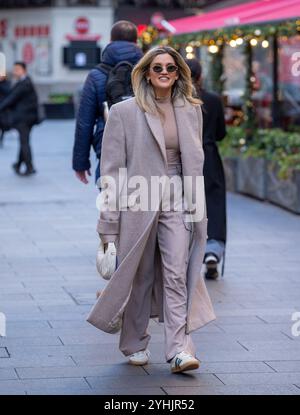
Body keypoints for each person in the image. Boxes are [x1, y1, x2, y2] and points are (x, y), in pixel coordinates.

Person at [87, 46, 216, 374]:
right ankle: (133, 341)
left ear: (178, 74)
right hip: (138, 201)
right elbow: (112, 171)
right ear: (146, 72)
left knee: (176, 272)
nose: (164, 72)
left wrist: (198, 208)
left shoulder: (190, 109)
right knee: (141, 276)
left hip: (179, 199)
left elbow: (194, 162)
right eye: (157, 67)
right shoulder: (124, 112)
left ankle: (178, 350)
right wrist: (108, 226)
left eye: (171, 68)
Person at [72, 20, 143, 185]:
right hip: (143, 146)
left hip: (108, 148)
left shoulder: (96, 74)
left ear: (110, 42)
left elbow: (85, 122)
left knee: (110, 204)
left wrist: (80, 163)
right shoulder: (148, 71)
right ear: (136, 42)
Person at [185, 58, 227, 279]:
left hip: (183, 159)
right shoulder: (212, 99)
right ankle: (213, 250)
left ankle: (187, 253)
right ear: (200, 76)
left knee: (187, 205)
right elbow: (221, 133)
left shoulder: (178, 100)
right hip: (209, 157)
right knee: (214, 202)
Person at [0, 62, 38, 175]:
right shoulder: (24, 81)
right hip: (26, 117)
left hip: (24, 118)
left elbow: (11, 98)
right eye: (14, 69)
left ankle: (29, 167)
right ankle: (18, 164)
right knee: (24, 141)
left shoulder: (24, 83)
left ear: (24, 70)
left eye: (17, 69)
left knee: (24, 142)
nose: (15, 72)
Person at [0, 75, 11, 146]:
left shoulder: (7, 83)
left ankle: (1, 138)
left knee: (3, 125)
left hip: (3, 107)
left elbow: (7, 91)